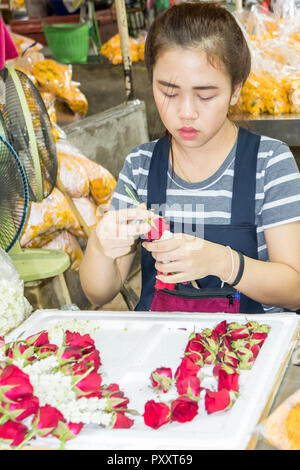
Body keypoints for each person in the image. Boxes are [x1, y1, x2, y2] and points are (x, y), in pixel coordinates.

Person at [80, 2, 300, 314]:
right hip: (162, 352)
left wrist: (224, 263)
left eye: (205, 95)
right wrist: (101, 249)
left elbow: (295, 289)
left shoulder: (269, 163)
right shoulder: (141, 166)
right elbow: (98, 294)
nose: (186, 112)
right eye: (169, 92)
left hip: (252, 350)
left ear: (236, 89)